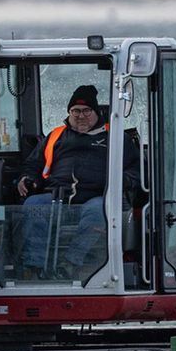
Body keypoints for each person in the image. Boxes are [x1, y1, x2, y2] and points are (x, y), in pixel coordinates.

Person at [15, 85, 134, 278]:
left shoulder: (117, 137)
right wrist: (27, 179)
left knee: (99, 210)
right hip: (57, 197)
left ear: (96, 112)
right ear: (69, 112)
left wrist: (122, 181)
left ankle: (70, 264)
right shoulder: (55, 136)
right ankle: (34, 267)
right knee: (33, 204)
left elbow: (136, 169)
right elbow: (33, 164)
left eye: (87, 110)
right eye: (75, 111)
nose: (81, 115)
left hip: (97, 196)